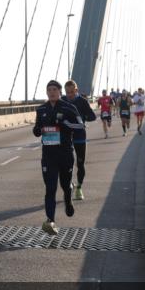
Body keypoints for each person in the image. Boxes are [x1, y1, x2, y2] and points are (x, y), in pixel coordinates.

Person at [33, 80, 83, 235]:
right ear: (46, 92)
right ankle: (50, 221)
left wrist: (65, 123)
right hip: (48, 156)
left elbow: (80, 125)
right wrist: (38, 130)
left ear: (60, 92)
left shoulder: (69, 107)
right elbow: (36, 129)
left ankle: (68, 200)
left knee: (65, 185)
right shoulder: (41, 109)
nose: (52, 92)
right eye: (49, 90)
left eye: (55, 89)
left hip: (66, 154)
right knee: (50, 188)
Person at [64, 80, 97, 201]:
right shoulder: (63, 100)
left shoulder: (82, 101)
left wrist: (82, 119)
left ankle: (79, 187)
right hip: (66, 136)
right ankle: (69, 183)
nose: (69, 95)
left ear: (76, 90)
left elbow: (93, 116)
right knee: (66, 163)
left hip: (79, 136)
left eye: (72, 92)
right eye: (67, 92)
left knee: (80, 163)